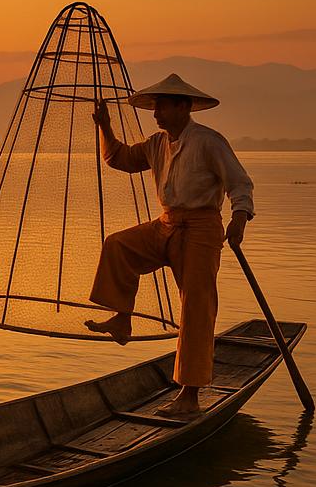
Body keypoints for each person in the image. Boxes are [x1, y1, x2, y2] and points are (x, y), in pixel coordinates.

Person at [85, 73, 254, 416]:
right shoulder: (157, 143)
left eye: (162, 106)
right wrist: (104, 125)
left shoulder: (209, 142)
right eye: (156, 106)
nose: (156, 113)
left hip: (202, 229)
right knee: (118, 245)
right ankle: (122, 319)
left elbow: (239, 183)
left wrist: (239, 218)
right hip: (167, 224)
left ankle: (189, 397)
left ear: (183, 107)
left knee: (195, 306)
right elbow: (119, 158)